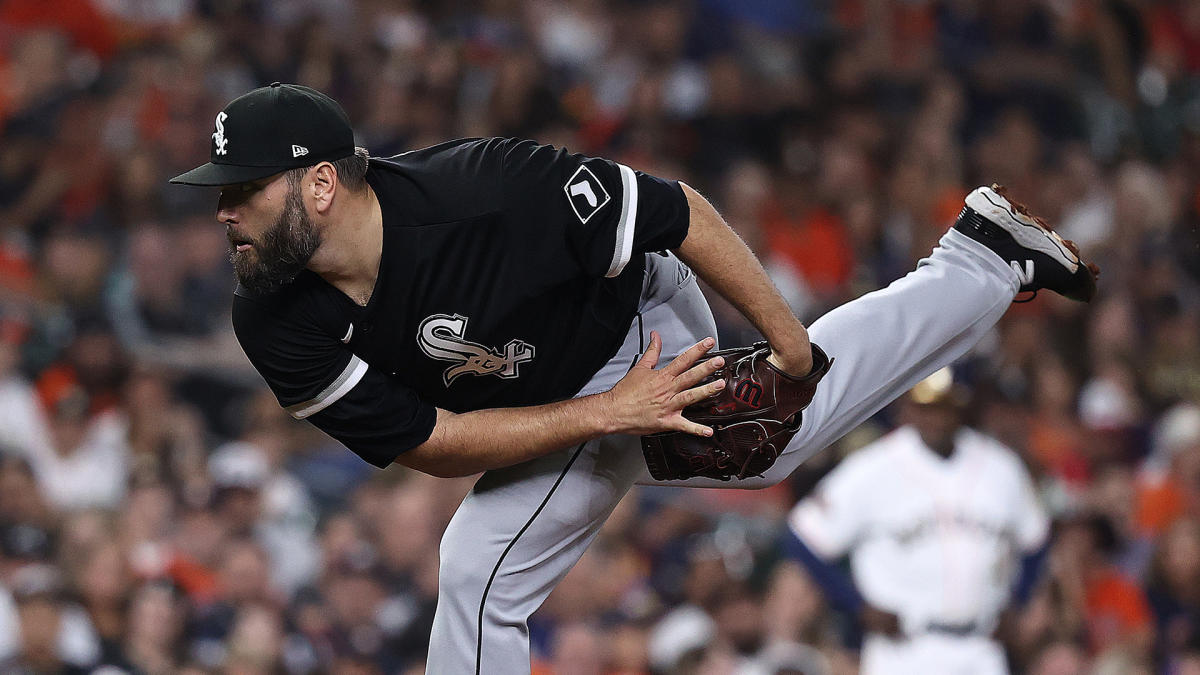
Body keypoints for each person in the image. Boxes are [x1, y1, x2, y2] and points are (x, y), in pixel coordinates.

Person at [169, 83, 1098, 673]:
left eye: (242, 188)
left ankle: (976, 261)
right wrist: (606, 415)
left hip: (632, 318)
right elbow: (432, 445)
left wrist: (790, 349)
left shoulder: (488, 191)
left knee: (757, 441)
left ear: (321, 186)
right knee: (478, 565)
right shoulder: (273, 310)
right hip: (555, 397)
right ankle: (980, 259)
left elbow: (679, 213)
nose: (223, 209)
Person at [785, 368, 1051, 675]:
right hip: (904, 649)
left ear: (962, 408)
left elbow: (1037, 540)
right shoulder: (873, 467)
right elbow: (802, 537)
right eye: (927, 407)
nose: (937, 418)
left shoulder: (1000, 466)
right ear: (908, 408)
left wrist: (1018, 601)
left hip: (982, 647)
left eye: (945, 407)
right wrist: (857, 606)